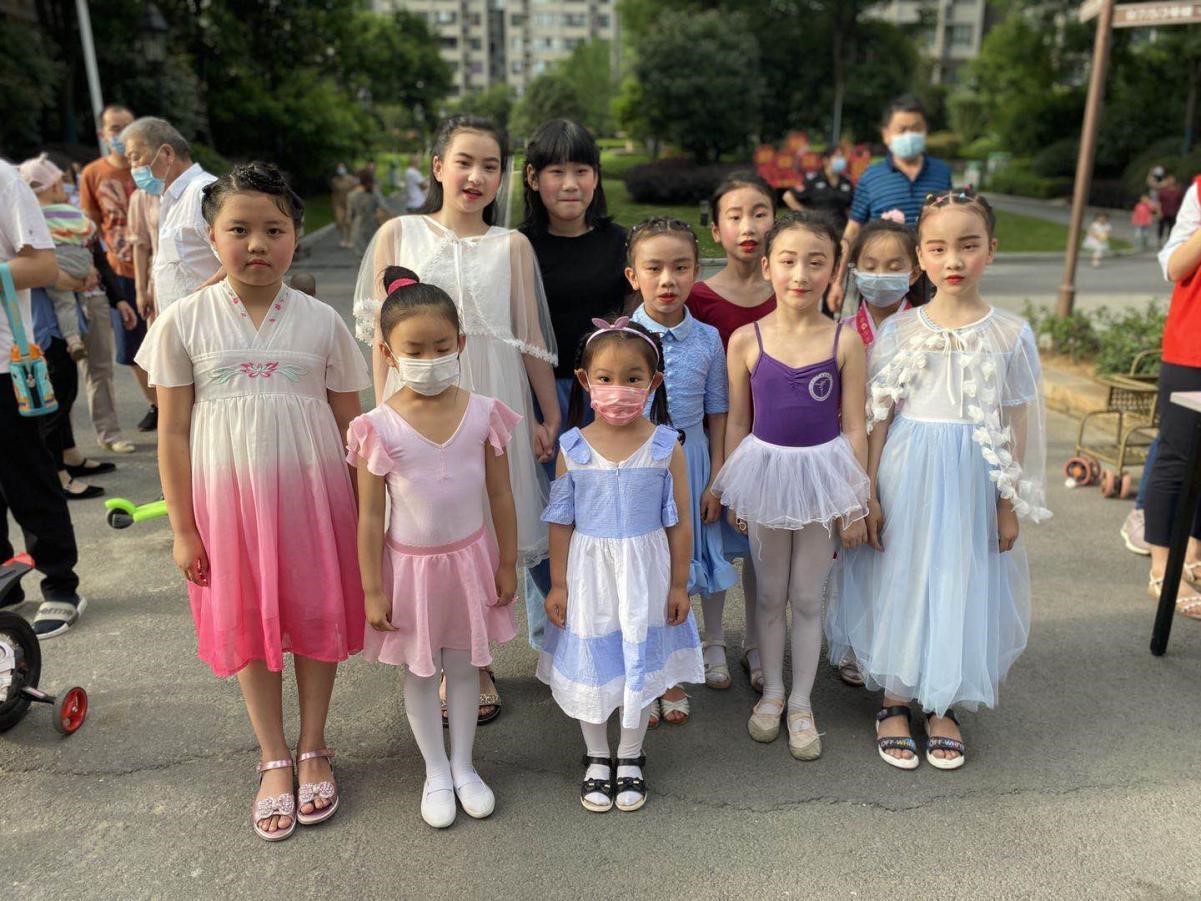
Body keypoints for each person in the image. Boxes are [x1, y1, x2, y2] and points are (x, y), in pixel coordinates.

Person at [136, 162, 369, 841]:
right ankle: (272, 754)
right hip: (227, 504)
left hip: (315, 498)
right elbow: (172, 432)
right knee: (249, 621)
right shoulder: (183, 321)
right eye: (239, 229)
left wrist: (368, 511)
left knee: (315, 613)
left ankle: (314, 745)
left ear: (297, 235)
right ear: (212, 237)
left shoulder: (323, 322)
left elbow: (353, 428)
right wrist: (183, 528)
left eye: (275, 228)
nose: (257, 243)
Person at [828, 190, 1050, 771]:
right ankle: (895, 698)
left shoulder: (1010, 334)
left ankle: (943, 701)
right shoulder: (901, 330)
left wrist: (1007, 503)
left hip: (972, 476)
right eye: (938, 248)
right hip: (908, 470)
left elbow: (1014, 422)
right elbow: (877, 418)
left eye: (968, 246)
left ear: (991, 251)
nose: (953, 260)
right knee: (902, 576)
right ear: (921, 258)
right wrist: (867, 492)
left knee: (959, 577)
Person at [353, 115, 559, 723]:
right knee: (428, 528)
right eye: (464, 162)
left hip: (491, 397)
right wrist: (382, 415)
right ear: (438, 166)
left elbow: (528, 339)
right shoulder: (398, 233)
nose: (476, 176)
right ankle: (435, 656)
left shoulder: (513, 245)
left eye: (490, 166)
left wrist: (547, 416)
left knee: (485, 524)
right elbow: (380, 339)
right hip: (414, 407)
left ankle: (476, 660)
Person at [349, 267, 519, 828]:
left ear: (460, 343)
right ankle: (435, 771)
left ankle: (465, 766)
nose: (430, 358)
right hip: (410, 571)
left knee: (465, 667)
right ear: (387, 353)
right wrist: (372, 588)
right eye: (414, 350)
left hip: (470, 563)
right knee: (421, 673)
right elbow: (369, 514)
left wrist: (506, 561)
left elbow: (500, 493)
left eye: (441, 347)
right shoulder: (376, 427)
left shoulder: (483, 413)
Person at [713, 212, 870, 760]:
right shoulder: (745, 340)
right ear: (767, 267)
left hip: (823, 479)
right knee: (768, 593)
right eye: (788, 261)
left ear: (833, 271)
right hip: (765, 475)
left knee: (807, 596)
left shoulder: (845, 340)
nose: (800, 274)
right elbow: (738, 420)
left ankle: (803, 702)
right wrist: (733, 489)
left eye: (815, 262)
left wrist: (855, 502)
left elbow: (855, 426)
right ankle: (773, 692)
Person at [538, 316, 703, 813]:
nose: (619, 389)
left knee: (640, 662)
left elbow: (680, 524)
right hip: (589, 577)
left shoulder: (666, 446)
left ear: (653, 382)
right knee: (595, 663)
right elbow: (561, 522)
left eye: (632, 378)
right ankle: (596, 755)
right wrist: (558, 585)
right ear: (585, 380)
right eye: (605, 378)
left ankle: (630, 753)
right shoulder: (572, 448)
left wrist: (679, 584)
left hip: (645, 575)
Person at [518, 118, 629, 648]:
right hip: (539, 399)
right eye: (556, 172)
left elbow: (635, 323)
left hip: (607, 399)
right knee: (547, 515)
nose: (570, 184)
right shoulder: (518, 246)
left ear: (596, 176)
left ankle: (604, 628)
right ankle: (554, 638)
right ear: (532, 178)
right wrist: (539, 413)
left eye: (581, 170)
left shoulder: (620, 243)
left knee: (605, 513)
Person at [626, 217, 735, 726]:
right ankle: (644, 671)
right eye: (654, 268)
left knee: (685, 565)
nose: (667, 279)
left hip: (690, 462)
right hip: (637, 466)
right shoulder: (619, 336)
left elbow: (718, 411)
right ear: (633, 276)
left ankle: (681, 666)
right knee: (643, 568)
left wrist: (717, 477)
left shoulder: (709, 338)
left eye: (680, 267)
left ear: (696, 272)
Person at [685, 171, 777, 693]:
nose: (748, 226)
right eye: (735, 216)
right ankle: (714, 639)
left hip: (776, 443)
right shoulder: (698, 297)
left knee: (765, 550)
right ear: (716, 229)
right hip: (715, 439)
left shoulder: (789, 291)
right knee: (716, 542)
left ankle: (758, 644)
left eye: (760, 213)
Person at [0, 158, 88, 638]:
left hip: (4, 362)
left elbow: (43, 265)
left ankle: (60, 584)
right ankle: (5, 586)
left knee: (27, 477)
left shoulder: (4, 180)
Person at [828, 95, 952, 316]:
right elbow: (852, 231)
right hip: (884, 279)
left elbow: (951, 224)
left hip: (931, 278)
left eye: (916, 129)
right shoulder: (871, 176)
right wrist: (837, 282)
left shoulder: (941, 172)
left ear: (925, 131)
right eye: (902, 129)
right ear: (886, 134)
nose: (909, 135)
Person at [1143, 173, 1201, 617]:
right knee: (1178, 457)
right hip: (1192, 348)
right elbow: (1173, 266)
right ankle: (1164, 567)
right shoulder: (1200, 190)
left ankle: (1193, 553)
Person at [78, 103, 142, 451]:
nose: (120, 134)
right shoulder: (93, 173)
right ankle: (155, 407)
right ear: (102, 134)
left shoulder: (146, 169)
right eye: (114, 128)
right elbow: (87, 228)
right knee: (129, 350)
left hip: (155, 270)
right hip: (117, 271)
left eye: (126, 126)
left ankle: (165, 408)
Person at [121, 116, 222, 315]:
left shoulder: (204, 193)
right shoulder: (168, 199)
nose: (133, 169)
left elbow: (236, 263)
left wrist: (198, 300)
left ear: (167, 153)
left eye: (135, 157)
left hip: (207, 319)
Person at [20, 154, 94, 362]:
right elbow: (89, 229)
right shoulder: (70, 212)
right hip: (77, 263)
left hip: (53, 271)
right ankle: (78, 332)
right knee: (72, 301)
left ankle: (73, 340)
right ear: (54, 187)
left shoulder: (27, 218)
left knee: (64, 303)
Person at [783, 147, 855, 234]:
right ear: (826, 160)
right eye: (837, 157)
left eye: (842, 157)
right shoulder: (813, 179)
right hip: (817, 230)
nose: (841, 160)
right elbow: (788, 196)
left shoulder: (846, 182)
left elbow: (850, 208)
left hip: (840, 230)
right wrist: (805, 215)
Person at [127, 187, 161, 323]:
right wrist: (140, 291)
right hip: (158, 279)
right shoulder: (142, 196)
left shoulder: (196, 186)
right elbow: (140, 246)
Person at [347, 169, 387, 257]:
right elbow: (385, 209)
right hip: (373, 227)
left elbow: (350, 216)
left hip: (358, 229)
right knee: (375, 257)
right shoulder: (374, 194)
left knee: (361, 259)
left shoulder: (351, 195)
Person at [331, 164, 357, 248]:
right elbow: (334, 193)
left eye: (342, 168)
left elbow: (355, 191)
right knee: (339, 221)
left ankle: (349, 239)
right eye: (339, 168)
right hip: (339, 204)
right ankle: (344, 238)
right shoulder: (335, 180)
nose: (341, 170)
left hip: (349, 203)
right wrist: (334, 205)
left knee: (348, 222)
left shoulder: (350, 179)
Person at [1157, 174, 1185, 247]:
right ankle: (1159, 240)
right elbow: (1159, 201)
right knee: (1161, 227)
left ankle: (1169, 241)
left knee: (1171, 227)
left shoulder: (1178, 191)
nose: (1171, 181)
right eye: (1169, 179)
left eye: (1172, 179)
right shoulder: (1163, 191)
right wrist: (1159, 211)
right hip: (1164, 212)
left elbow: (1181, 202)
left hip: (1173, 212)